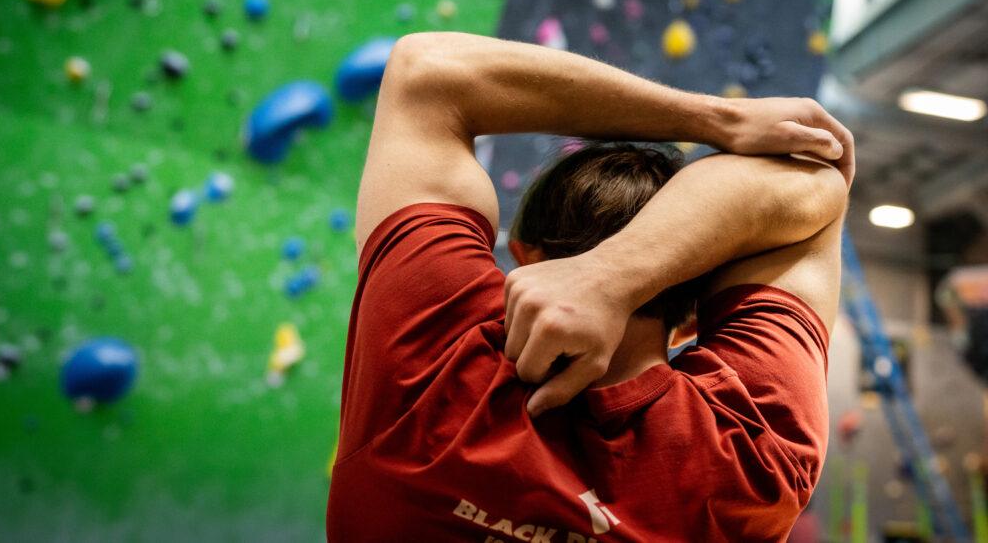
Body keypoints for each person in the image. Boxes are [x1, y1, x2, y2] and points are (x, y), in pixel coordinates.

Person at [327, 32, 853, 542]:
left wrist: (723, 120)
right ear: (693, 315)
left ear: (525, 256)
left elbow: (428, 71)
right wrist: (615, 277)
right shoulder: (749, 455)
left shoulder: (430, 349)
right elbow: (816, 179)